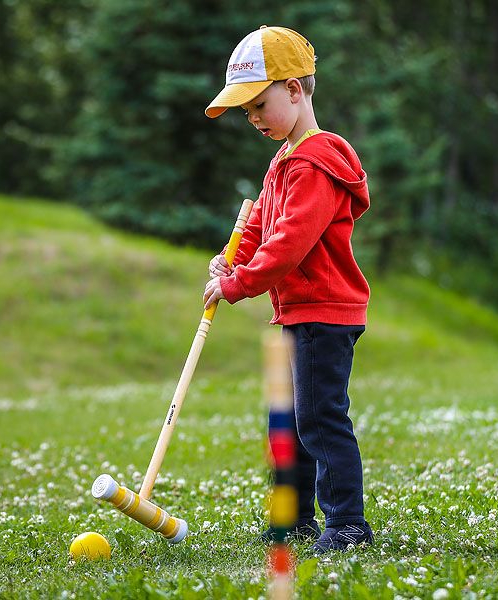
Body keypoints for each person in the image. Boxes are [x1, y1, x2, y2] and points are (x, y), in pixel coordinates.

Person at [202, 26, 373, 554]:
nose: (252, 118)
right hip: (298, 311)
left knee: (321, 418)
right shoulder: (283, 161)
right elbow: (260, 227)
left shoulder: (316, 164)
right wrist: (231, 259)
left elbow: (290, 244)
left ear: (295, 91)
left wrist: (240, 284)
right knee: (292, 420)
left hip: (324, 311)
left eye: (259, 105)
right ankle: (294, 517)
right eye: (246, 111)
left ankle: (347, 524)